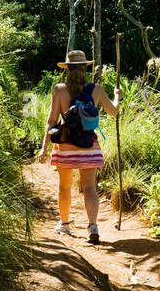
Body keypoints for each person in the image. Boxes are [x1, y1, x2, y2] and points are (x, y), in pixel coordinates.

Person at [37, 48, 121, 244]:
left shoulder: (59, 90)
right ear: (85, 68)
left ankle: (65, 225)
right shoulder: (96, 90)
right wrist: (117, 95)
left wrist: (44, 147)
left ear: (67, 69)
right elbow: (114, 112)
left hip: (65, 146)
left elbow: (51, 121)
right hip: (88, 146)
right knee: (90, 187)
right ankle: (93, 226)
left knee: (64, 187)